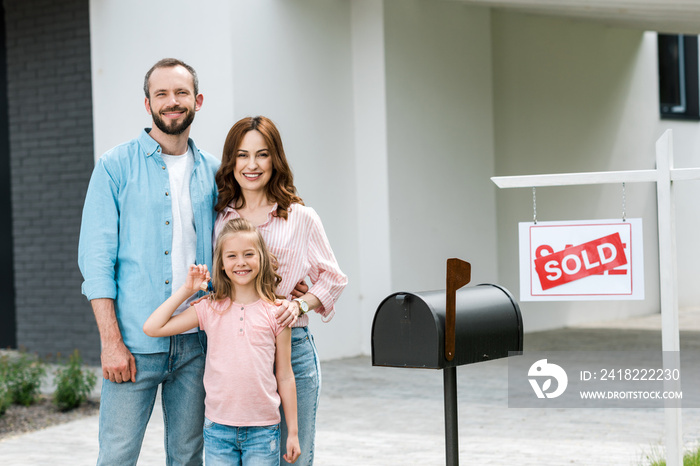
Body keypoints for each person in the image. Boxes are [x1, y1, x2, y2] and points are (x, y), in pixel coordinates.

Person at [78, 58, 219, 465]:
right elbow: (96, 262)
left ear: (198, 100)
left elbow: (242, 242)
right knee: (118, 457)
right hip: (133, 347)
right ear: (147, 104)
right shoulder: (114, 166)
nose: (172, 102)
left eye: (181, 93)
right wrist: (110, 343)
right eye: (162, 94)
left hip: (196, 345)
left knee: (188, 457)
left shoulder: (214, 171)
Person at [214, 116, 348, 465]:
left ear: (276, 159)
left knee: (295, 459)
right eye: (242, 155)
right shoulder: (220, 219)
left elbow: (333, 278)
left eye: (262, 154)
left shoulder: (302, 217)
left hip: (293, 350)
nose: (252, 165)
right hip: (237, 355)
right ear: (231, 161)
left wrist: (301, 304)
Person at [143, 218, 301, 465]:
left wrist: (293, 432)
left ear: (261, 258)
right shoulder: (209, 308)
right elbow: (153, 327)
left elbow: (285, 376)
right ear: (222, 264)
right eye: (232, 256)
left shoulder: (278, 312)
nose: (241, 262)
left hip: (264, 429)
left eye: (249, 254)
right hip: (218, 429)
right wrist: (187, 290)